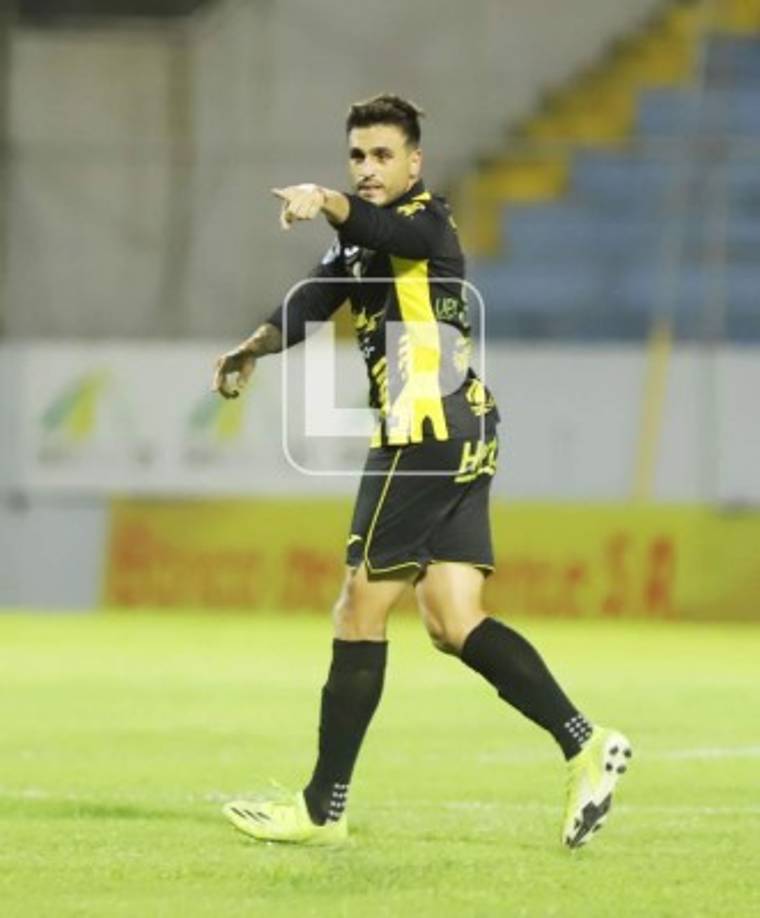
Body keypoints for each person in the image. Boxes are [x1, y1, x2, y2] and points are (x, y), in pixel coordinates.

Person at [212, 93, 631, 849]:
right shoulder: (366, 241)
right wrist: (254, 346)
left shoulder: (427, 224)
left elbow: (369, 225)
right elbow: (316, 295)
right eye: (356, 157)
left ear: (414, 163)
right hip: (466, 433)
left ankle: (321, 809)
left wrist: (327, 200)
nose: (368, 170)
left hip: (421, 436)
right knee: (451, 619)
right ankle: (585, 741)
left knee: (356, 611)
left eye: (381, 156)